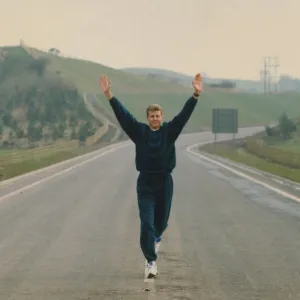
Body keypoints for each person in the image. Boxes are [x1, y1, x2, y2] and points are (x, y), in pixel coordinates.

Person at [99, 73, 203, 278]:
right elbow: (123, 115)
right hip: (145, 182)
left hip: (164, 182)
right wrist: (109, 94)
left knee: (161, 223)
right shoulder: (139, 132)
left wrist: (196, 95)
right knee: (146, 222)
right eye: (151, 116)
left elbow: (183, 116)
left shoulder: (169, 132)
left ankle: (155, 238)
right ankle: (150, 262)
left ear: (161, 117)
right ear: (147, 118)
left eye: (158, 116)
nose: (155, 119)